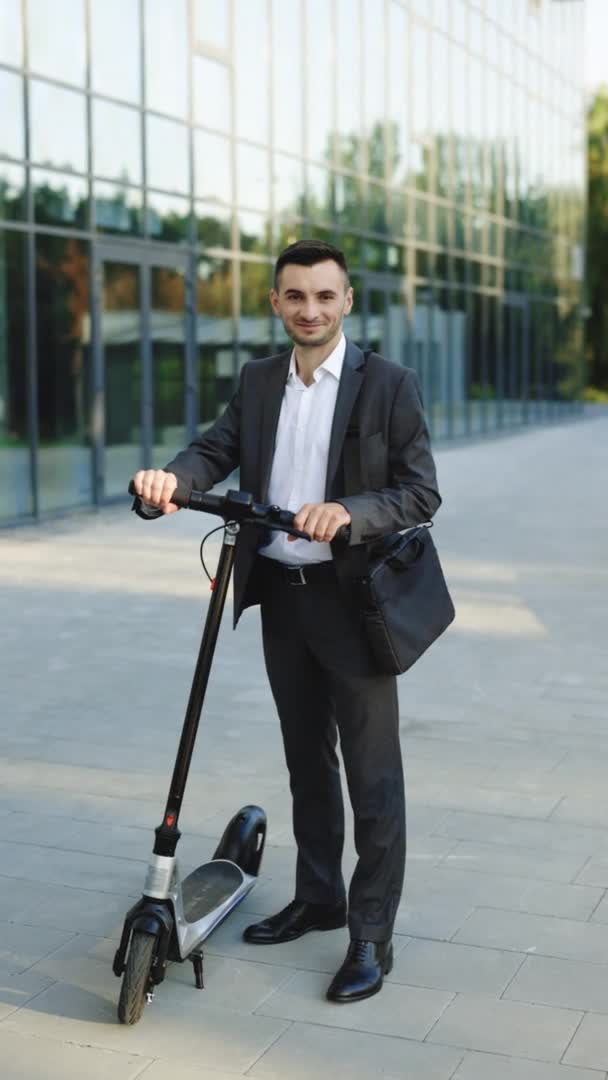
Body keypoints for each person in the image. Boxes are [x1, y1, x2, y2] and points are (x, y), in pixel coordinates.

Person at [132, 239, 441, 1004]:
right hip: (283, 597)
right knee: (307, 759)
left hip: (355, 602)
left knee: (373, 777)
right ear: (275, 302)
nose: (310, 309)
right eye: (295, 296)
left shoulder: (390, 386)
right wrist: (174, 479)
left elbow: (419, 492)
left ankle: (370, 934)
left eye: (324, 296)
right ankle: (318, 896)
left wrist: (351, 511)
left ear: (347, 302)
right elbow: (216, 449)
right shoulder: (260, 379)